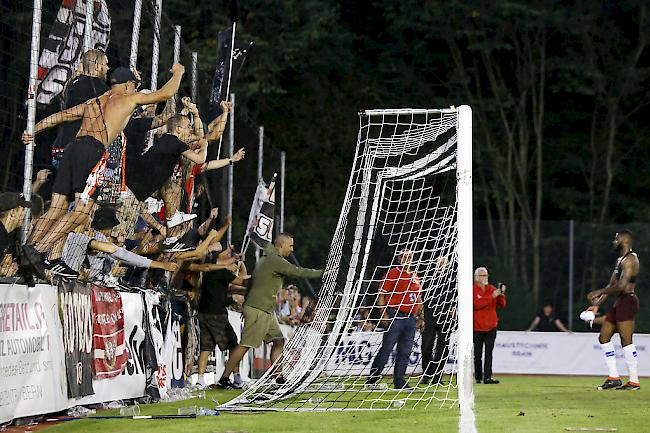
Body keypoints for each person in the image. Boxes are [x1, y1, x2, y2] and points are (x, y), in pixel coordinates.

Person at [21, 63, 186, 279]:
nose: (135, 90)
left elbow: (62, 116)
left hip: (71, 149)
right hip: (92, 151)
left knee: (57, 208)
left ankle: (28, 251)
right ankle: (38, 251)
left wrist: (33, 130)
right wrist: (178, 73)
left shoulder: (94, 102)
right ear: (128, 86)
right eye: (134, 86)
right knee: (82, 212)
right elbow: (166, 93)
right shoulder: (129, 99)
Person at [215, 233, 327, 389]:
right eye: (291, 245)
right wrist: (323, 273)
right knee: (245, 345)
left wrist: (247, 302)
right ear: (281, 245)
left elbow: (253, 282)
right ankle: (224, 379)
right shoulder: (275, 261)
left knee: (278, 340)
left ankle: (279, 377)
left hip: (266, 310)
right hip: (259, 309)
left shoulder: (266, 260)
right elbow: (298, 271)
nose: (292, 249)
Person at [586, 229, 640, 390]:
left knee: (626, 340)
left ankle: (634, 381)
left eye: (616, 239)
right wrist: (597, 305)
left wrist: (600, 291)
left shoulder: (631, 259)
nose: (614, 241)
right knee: (604, 337)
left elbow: (622, 286)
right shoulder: (620, 260)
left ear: (624, 240)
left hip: (628, 300)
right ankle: (614, 378)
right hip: (619, 301)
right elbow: (612, 285)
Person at [188, 247, 250, 389]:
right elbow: (242, 281)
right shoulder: (222, 272)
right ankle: (237, 377)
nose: (229, 255)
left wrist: (239, 263)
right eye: (226, 253)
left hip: (203, 312)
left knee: (206, 347)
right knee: (234, 346)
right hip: (217, 314)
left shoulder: (208, 272)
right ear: (220, 259)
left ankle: (200, 379)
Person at [366, 249, 422, 390]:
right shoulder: (392, 273)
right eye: (403, 256)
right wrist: (383, 313)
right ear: (398, 258)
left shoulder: (415, 276)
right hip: (395, 314)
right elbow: (381, 294)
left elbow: (419, 298)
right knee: (387, 348)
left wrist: (421, 316)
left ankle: (399, 381)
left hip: (410, 318)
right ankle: (372, 380)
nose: (406, 258)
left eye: (409, 256)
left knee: (405, 351)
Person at [51, 49, 110, 170]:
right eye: (106, 64)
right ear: (98, 66)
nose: (108, 68)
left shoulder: (73, 84)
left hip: (60, 148)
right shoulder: (101, 90)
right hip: (81, 151)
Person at [421, 256, 454, 385]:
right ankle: (427, 373)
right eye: (439, 261)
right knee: (426, 346)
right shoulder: (429, 276)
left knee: (442, 347)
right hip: (430, 316)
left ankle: (437, 377)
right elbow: (422, 295)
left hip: (446, 316)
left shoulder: (453, 279)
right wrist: (421, 315)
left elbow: (456, 294)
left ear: (447, 264)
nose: (441, 264)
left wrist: (454, 308)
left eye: (444, 262)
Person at [473, 267, 506, 384]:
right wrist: (491, 296)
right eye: (483, 275)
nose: (485, 277)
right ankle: (478, 376)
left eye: (486, 275)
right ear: (476, 277)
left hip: (491, 326)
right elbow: (477, 305)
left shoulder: (491, 288)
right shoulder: (473, 289)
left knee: (489, 353)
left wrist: (501, 294)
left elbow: (502, 305)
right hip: (477, 326)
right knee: (477, 353)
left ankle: (487, 377)